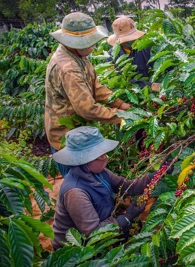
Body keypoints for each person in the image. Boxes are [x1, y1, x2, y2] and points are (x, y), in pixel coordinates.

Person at [45, 12, 132, 177]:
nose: (93, 46)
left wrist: (119, 103)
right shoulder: (68, 68)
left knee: (95, 183)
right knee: (81, 187)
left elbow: (95, 86)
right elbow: (87, 109)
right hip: (68, 138)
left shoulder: (77, 55)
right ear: (76, 43)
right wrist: (123, 116)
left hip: (79, 132)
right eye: (90, 42)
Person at [51, 126, 154, 250]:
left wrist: (155, 176)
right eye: (100, 155)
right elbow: (94, 232)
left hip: (102, 229)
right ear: (83, 159)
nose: (105, 158)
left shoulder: (99, 172)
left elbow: (126, 186)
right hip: (77, 250)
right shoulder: (75, 192)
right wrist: (127, 218)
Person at [106, 16, 160, 92]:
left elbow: (158, 65)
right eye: (128, 39)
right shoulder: (111, 57)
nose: (132, 40)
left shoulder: (145, 48)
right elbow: (118, 80)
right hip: (127, 93)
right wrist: (149, 85)